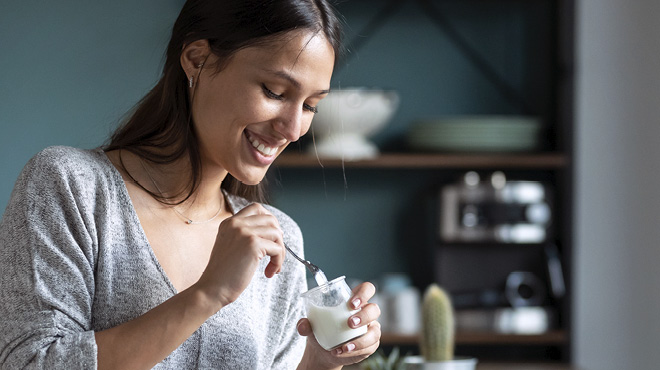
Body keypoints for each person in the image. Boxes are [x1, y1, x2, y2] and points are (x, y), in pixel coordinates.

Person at [0, 0, 381, 369]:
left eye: (311, 105)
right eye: (275, 92)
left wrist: (319, 361)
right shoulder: (71, 187)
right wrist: (207, 294)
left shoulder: (278, 239)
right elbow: (29, 363)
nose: (294, 128)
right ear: (197, 60)